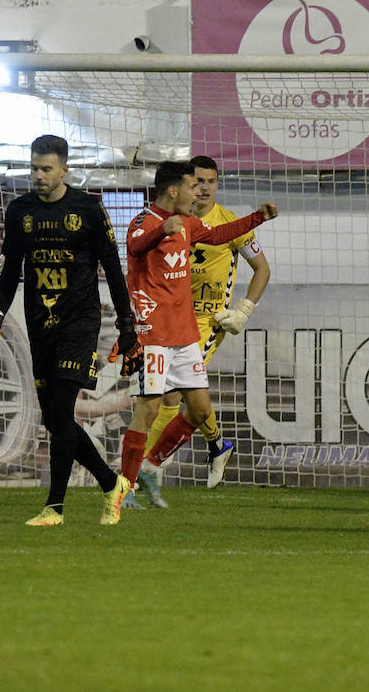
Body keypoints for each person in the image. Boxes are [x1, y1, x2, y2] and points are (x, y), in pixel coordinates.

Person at [0, 135, 140, 527]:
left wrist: (127, 327)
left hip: (79, 323)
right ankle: (111, 483)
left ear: (64, 169)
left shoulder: (87, 208)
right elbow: (11, 270)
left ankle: (55, 508)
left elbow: (113, 270)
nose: (38, 175)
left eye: (46, 169)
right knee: (55, 421)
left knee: (64, 409)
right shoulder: (20, 211)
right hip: (40, 323)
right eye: (34, 168)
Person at [115, 160, 276, 521]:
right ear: (176, 190)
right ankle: (124, 489)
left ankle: (154, 464)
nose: (199, 191)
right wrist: (161, 232)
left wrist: (257, 218)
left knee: (199, 408)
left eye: (207, 184)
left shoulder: (191, 224)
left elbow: (221, 236)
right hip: (156, 332)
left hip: (189, 331)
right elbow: (135, 246)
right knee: (152, 408)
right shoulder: (145, 221)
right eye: (193, 185)